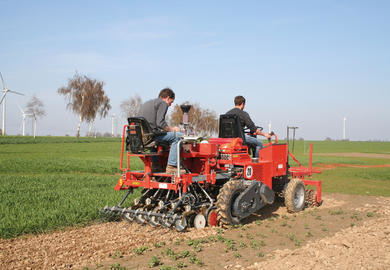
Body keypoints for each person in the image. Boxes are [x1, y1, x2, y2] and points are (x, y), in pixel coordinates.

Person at [138, 88, 184, 174]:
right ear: (167, 98)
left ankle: (155, 165)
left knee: (156, 136)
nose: (170, 105)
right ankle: (172, 166)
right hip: (149, 137)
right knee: (178, 136)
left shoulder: (148, 103)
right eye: (171, 102)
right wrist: (173, 130)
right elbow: (160, 123)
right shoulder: (163, 103)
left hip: (141, 138)